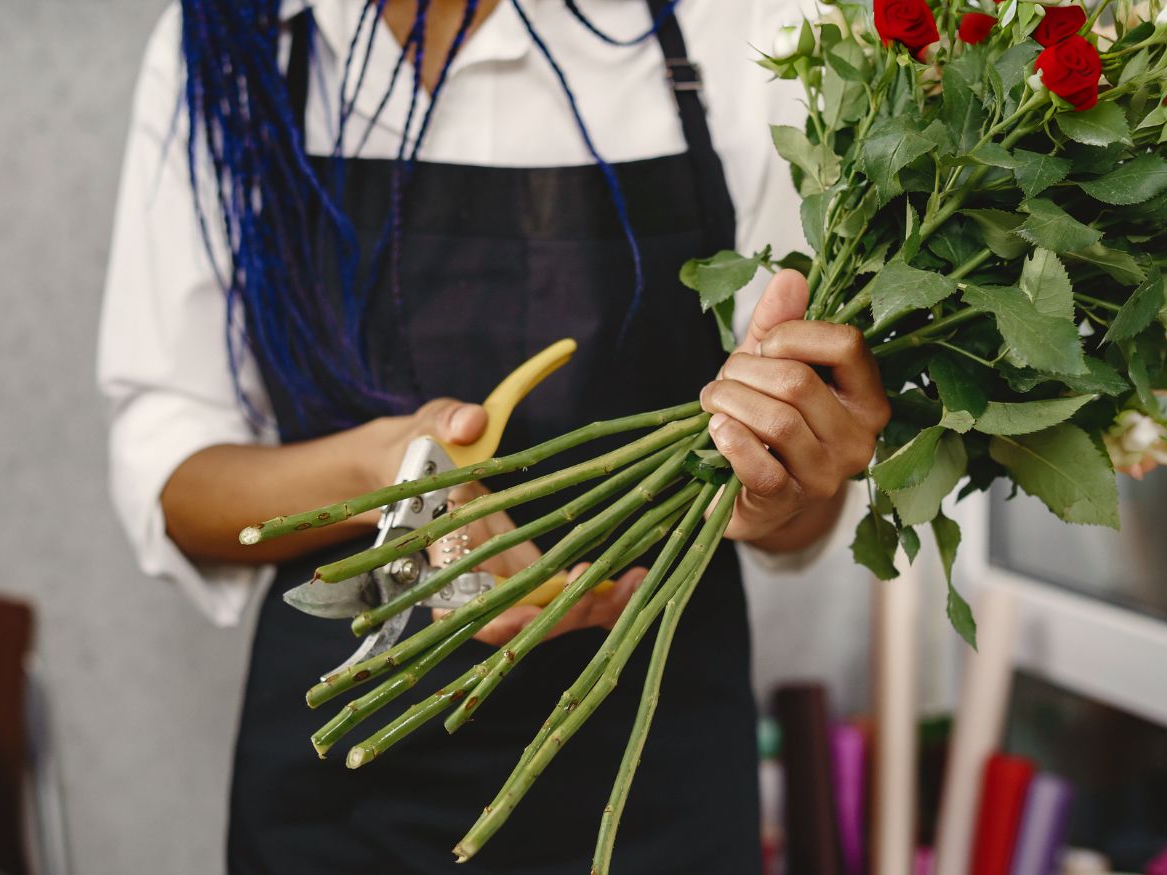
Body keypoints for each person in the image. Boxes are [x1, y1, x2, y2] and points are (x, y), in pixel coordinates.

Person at [98, 1, 890, 872]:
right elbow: (174, 474)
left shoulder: (748, 29)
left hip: (649, 784)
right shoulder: (233, 42)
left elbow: (801, 502)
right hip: (339, 794)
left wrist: (786, 479)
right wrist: (404, 479)